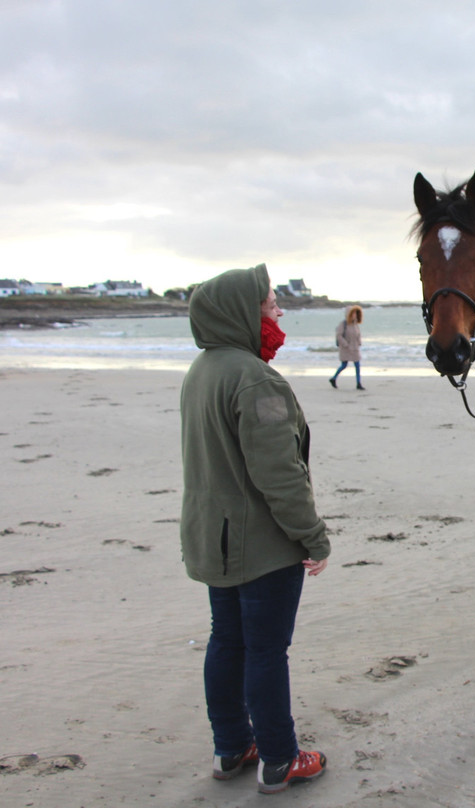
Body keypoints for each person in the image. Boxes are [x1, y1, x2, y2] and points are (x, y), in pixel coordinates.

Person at [180, 263, 330, 795]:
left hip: (213, 539)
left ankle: (231, 748)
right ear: (242, 312)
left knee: (228, 642)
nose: (278, 311)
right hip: (259, 546)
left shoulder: (202, 369)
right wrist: (313, 535)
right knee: (265, 650)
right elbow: (279, 476)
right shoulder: (254, 377)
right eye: (269, 304)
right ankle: (279, 759)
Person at [330, 304, 364, 390]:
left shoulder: (355, 324)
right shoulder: (343, 324)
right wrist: (345, 344)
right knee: (344, 365)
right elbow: (339, 335)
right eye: (353, 313)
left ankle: (358, 383)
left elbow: (358, 334)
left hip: (355, 348)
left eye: (356, 313)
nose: (354, 315)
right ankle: (333, 378)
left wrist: (359, 342)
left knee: (357, 365)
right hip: (346, 348)